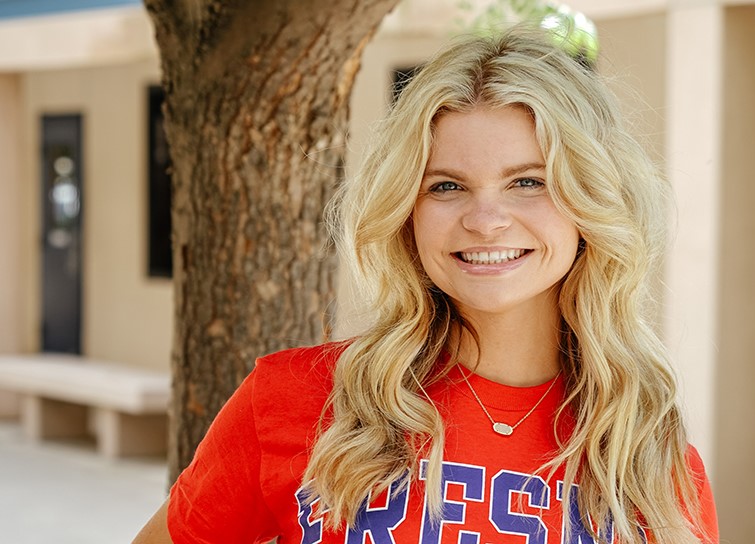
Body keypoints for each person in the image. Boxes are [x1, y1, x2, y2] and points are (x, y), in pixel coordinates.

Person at [134, 27, 719, 544]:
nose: (486, 220)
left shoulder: (646, 457)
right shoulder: (295, 401)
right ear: (406, 212)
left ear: (589, 205)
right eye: (445, 186)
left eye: (528, 182)